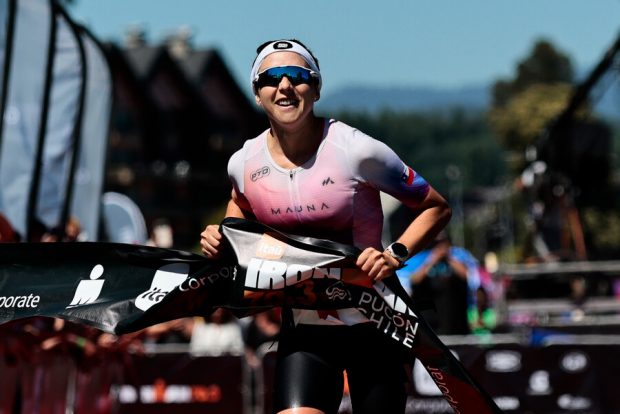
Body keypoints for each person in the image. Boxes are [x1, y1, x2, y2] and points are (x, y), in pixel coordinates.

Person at [200, 39, 451, 414]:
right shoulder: (244, 162)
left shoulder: (357, 150)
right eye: (271, 78)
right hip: (305, 330)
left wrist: (395, 254)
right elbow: (239, 204)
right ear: (257, 94)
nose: (285, 86)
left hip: (374, 322)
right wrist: (221, 235)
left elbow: (436, 207)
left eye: (298, 76)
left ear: (315, 89)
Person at [401, 232, 475, 335]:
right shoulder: (424, 260)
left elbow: (466, 276)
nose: (440, 248)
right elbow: (415, 280)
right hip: (433, 322)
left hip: (456, 321)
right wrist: (432, 260)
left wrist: (448, 257)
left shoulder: (457, 259)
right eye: (437, 244)